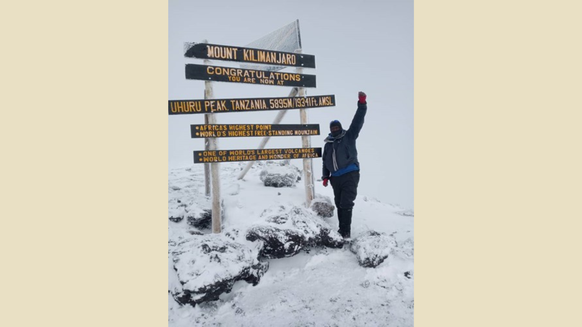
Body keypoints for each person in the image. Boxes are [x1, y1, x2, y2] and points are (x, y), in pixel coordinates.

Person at [322, 91, 367, 239]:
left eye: (337, 127)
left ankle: (345, 233)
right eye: (332, 128)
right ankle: (342, 230)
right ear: (330, 130)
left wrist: (362, 104)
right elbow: (325, 160)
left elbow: (357, 121)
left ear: (340, 127)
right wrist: (325, 176)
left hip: (350, 174)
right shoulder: (328, 144)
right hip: (335, 178)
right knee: (339, 203)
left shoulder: (349, 136)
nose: (335, 129)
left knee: (346, 202)